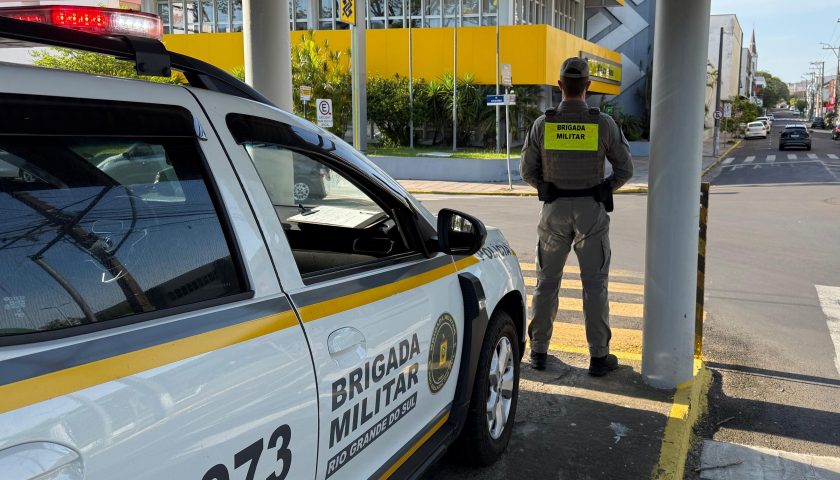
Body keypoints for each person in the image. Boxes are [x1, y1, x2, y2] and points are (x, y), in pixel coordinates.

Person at [520, 57, 634, 376]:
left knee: (546, 283)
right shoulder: (603, 124)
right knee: (595, 286)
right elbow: (625, 169)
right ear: (588, 86)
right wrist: (606, 187)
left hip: (554, 210)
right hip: (590, 211)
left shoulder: (543, 124)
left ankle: (538, 352)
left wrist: (543, 186)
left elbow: (527, 170)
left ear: (559, 85)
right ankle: (598, 357)